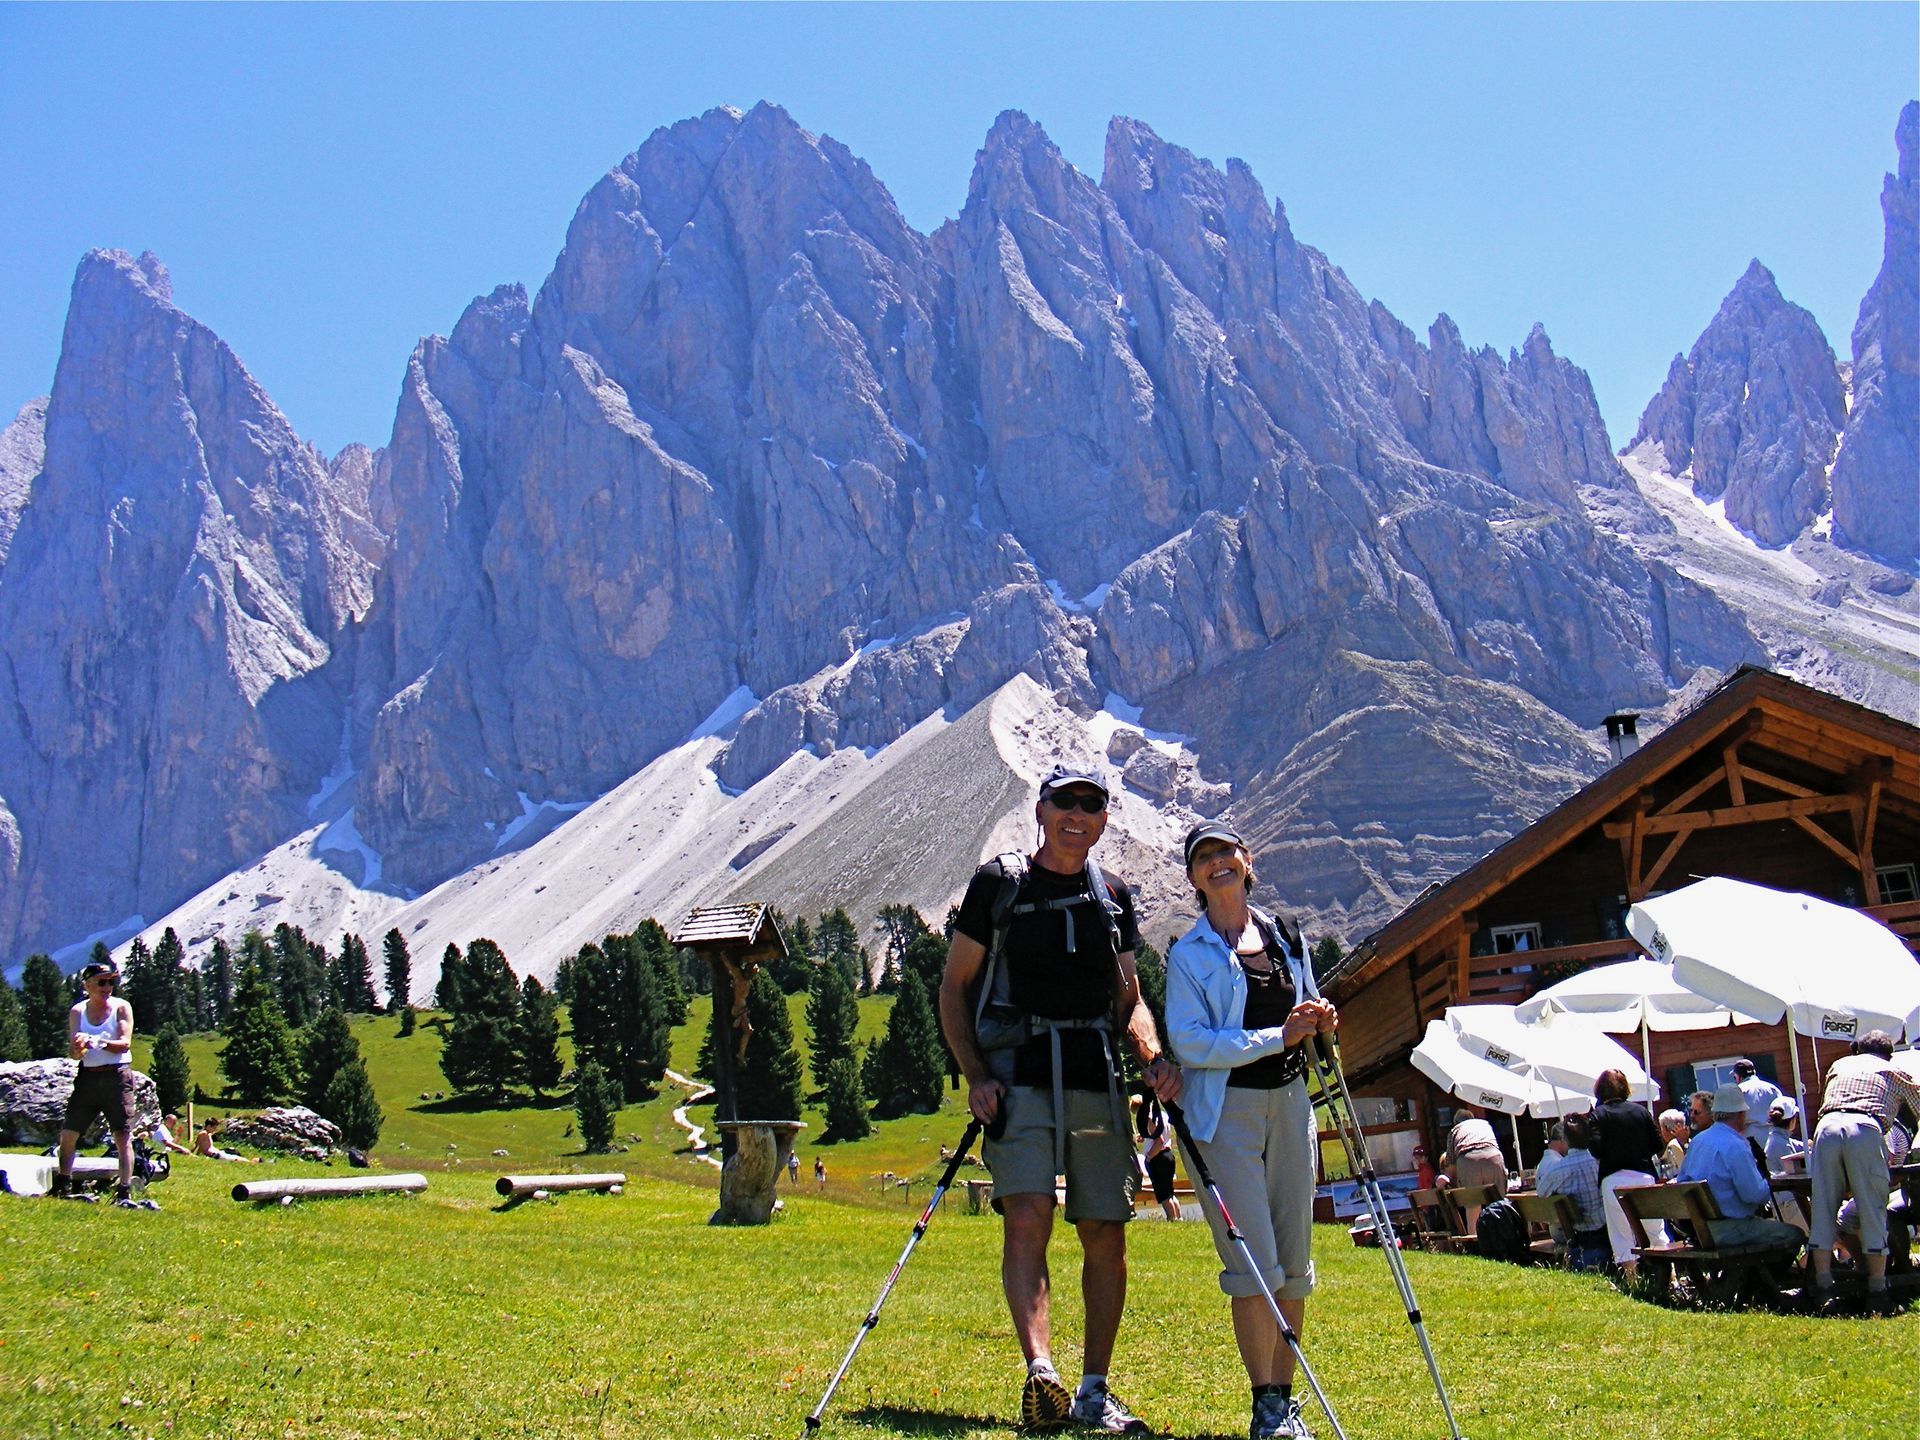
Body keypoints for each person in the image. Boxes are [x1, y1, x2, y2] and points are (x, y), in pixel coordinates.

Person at [939, 763, 1180, 1435]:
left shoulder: (1114, 897)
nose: (1077, 814)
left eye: (1091, 804)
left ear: (1104, 819)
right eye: (1064, 802)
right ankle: (1041, 1372)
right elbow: (954, 986)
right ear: (1040, 811)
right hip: (1017, 1078)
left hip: (1096, 1080)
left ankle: (1095, 1389)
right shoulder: (1000, 884)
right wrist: (975, 1074)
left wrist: (1151, 1054)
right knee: (1028, 1217)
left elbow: (1129, 998)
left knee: (1106, 1229)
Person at [1165, 821, 1335, 1440]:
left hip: (1291, 1104)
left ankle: (1284, 1403)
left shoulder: (1285, 936)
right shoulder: (1188, 955)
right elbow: (1188, 1041)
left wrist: (1317, 1018)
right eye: (1203, 858)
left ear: (1247, 860)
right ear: (1193, 878)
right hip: (1224, 1115)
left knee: (1294, 1260)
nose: (1217, 865)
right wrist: (1275, 1037)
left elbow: (1302, 1007)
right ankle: (1266, 1404)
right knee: (1254, 1263)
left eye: (1225, 853)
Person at [1807, 1031, 1920, 1315]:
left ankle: (1823, 1288)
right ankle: (1878, 1290)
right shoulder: (1895, 1071)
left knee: (1823, 1207)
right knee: (1871, 1209)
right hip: (1865, 1127)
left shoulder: (1840, 1064)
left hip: (1827, 1126)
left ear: (1858, 1050)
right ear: (1888, 1053)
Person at [1675, 1084, 1803, 1254]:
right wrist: (1767, 1181)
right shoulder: (1736, 1145)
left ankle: (1750, 1277)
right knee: (1794, 1234)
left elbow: (1682, 1182)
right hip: (1731, 1229)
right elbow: (1754, 1195)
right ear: (1741, 1114)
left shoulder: (1698, 1142)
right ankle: (1765, 1279)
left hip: (1700, 1230)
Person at [50, 959, 138, 1206]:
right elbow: (75, 1052)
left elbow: (125, 1043)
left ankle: (124, 1190)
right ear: (87, 985)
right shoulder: (78, 1011)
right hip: (88, 1077)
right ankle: (63, 1183)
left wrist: (97, 1041)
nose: (107, 987)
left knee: (122, 1134)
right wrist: (78, 1048)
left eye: (111, 981)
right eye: (102, 982)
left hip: (117, 1076)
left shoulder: (122, 1007)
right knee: (69, 1132)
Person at [1588, 1068, 1666, 1282]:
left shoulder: (1597, 1115)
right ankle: (1670, 1278)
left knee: (1620, 1233)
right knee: (1655, 1229)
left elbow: (1595, 1149)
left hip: (1613, 1179)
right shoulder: (1641, 1111)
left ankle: (1632, 1279)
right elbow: (1657, 1144)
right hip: (1643, 1177)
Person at [1535, 1113, 1608, 1271]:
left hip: (1579, 1234)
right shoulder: (1599, 1162)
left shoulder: (1558, 1169)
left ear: (1565, 1140)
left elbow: (1541, 1193)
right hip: (1606, 1231)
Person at [1442, 1106, 1506, 1232]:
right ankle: (1504, 1238)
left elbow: (1451, 1165)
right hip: (1494, 1157)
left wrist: (1455, 1182)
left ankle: (1475, 1243)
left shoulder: (1455, 1130)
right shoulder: (1485, 1124)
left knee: (1472, 1207)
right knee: (1500, 1203)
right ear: (1472, 1118)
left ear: (1456, 1122)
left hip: (1469, 1160)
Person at [1135, 1095, 1181, 1222]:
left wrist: (1149, 1157)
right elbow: (1161, 1134)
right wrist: (1143, 1136)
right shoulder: (1162, 1115)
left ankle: (1172, 1218)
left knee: (1163, 1194)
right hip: (1169, 1155)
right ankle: (1179, 1217)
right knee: (1170, 1192)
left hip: (1158, 1157)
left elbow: (1158, 1141)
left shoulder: (1149, 1119)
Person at [1732, 1058, 1784, 1133]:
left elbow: (1732, 1122)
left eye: (1734, 1077)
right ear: (1754, 1072)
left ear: (1738, 1076)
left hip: (1748, 1140)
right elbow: (1784, 1115)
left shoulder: (1738, 1091)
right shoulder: (1773, 1089)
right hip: (1773, 1137)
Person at [194, 1118, 260, 1163]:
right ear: (208, 1126)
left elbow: (201, 1146)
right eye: (213, 1127)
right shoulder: (203, 1133)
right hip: (216, 1155)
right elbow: (197, 1144)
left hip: (218, 1153)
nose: (214, 1129)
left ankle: (254, 1161)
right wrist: (192, 1153)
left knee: (237, 1157)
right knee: (238, 1159)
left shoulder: (208, 1134)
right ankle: (254, 1162)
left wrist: (197, 1154)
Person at [1656, 1108, 1690, 1180]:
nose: (1661, 1133)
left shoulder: (1673, 1145)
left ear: (1666, 1128)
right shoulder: (1689, 1142)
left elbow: (1681, 1170)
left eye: (1661, 1128)